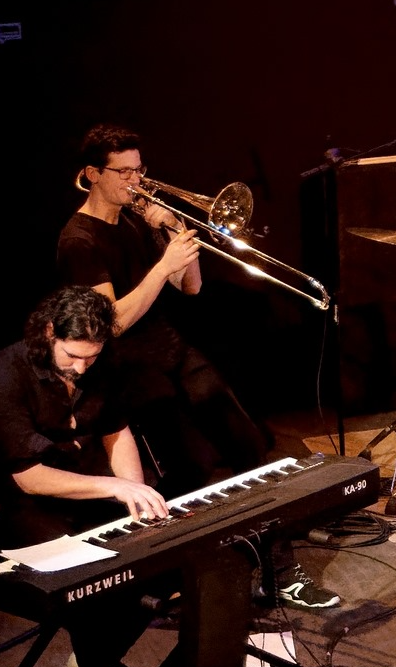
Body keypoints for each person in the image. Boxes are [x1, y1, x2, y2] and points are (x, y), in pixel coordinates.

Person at [59, 123, 338, 610]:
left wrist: (172, 235)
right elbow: (111, 325)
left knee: (249, 444)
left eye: (139, 170)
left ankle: (281, 571)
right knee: (195, 468)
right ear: (91, 174)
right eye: (123, 172)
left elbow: (191, 288)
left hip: (172, 351)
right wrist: (163, 265)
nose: (135, 181)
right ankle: (191, 576)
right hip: (127, 369)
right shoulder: (78, 240)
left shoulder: (133, 220)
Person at [0, 286, 177, 666]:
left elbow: (115, 432)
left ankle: (94, 658)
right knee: (90, 579)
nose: (82, 367)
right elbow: (29, 478)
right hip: (28, 505)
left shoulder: (104, 365)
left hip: (88, 492)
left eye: (92, 357)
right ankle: (95, 660)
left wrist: (134, 492)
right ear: (50, 332)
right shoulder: (5, 372)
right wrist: (114, 486)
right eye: (73, 356)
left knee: (160, 559)